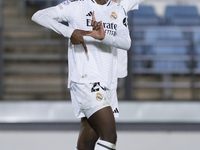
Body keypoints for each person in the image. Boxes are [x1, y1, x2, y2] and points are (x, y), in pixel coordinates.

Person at [31, 0, 131, 150]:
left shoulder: (118, 10)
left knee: (86, 144)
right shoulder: (77, 6)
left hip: (108, 82)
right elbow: (39, 16)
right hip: (86, 80)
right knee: (109, 136)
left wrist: (103, 37)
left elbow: (126, 42)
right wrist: (69, 32)